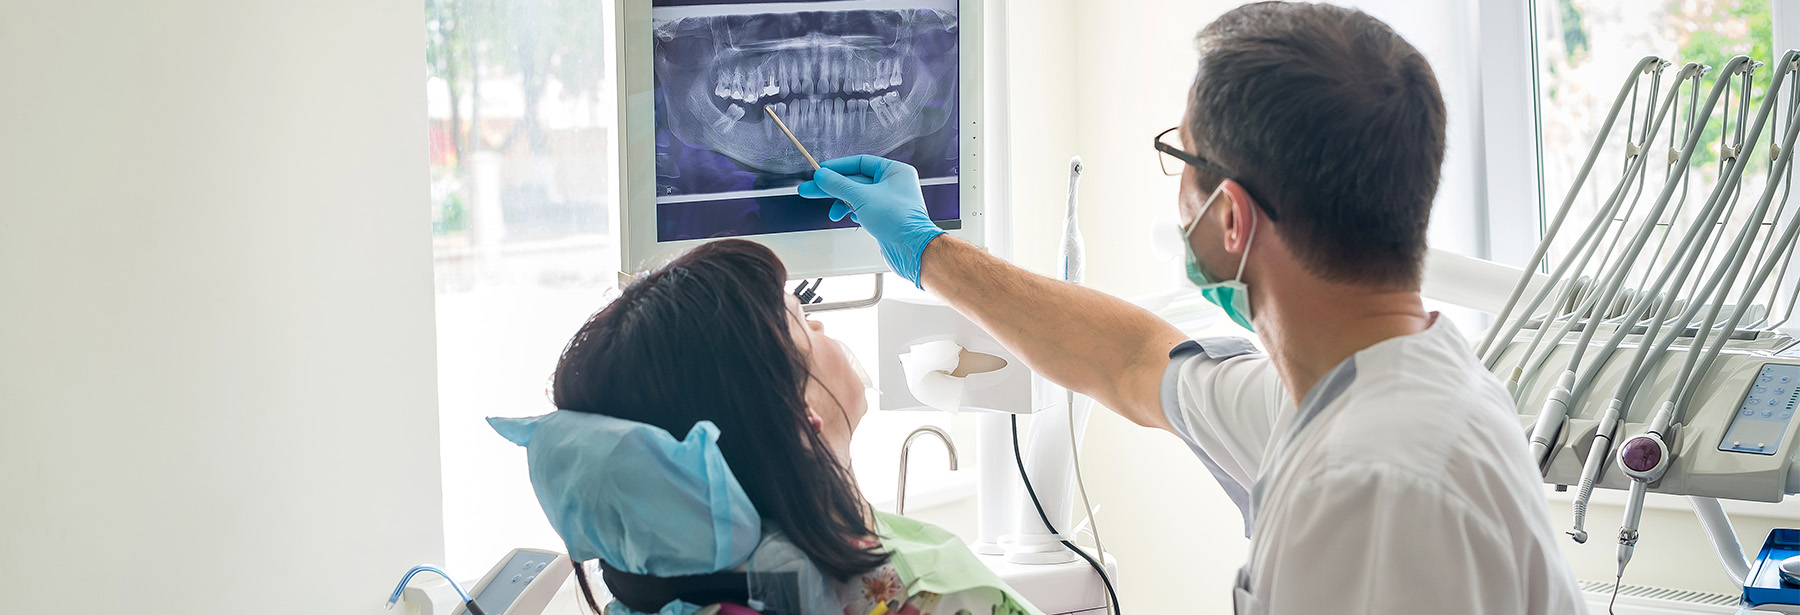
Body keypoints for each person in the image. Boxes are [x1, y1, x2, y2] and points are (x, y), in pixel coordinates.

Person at [796, 2, 1585, 614]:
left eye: (1180, 156)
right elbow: (1132, 360)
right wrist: (927, 248)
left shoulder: (1368, 485)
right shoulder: (1363, 387)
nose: (1175, 192)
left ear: (1233, 218)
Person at [494, 239, 1042, 615]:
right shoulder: (930, 595)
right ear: (799, 418)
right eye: (801, 321)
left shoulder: (664, 594)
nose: (823, 322)